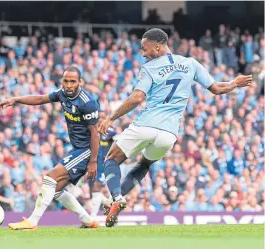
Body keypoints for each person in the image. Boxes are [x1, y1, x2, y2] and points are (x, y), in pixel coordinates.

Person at [98, 28, 253, 227]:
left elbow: (138, 97)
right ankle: (113, 201)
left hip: (146, 124)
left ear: (158, 46)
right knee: (144, 165)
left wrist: (111, 118)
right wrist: (234, 83)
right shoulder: (190, 63)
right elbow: (216, 88)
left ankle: (117, 197)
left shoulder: (149, 68)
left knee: (111, 158)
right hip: (169, 135)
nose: (143, 53)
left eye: (145, 48)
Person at [0, 66, 100, 230]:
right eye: (66, 81)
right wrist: (15, 99)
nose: (68, 85)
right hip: (77, 149)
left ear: (80, 82)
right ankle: (88, 220)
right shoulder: (62, 94)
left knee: (50, 178)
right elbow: (39, 99)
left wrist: (93, 161)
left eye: (73, 81)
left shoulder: (87, 103)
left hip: (87, 151)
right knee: (57, 189)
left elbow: (95, 134)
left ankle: (32, 221)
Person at [90, 112, 117, 217]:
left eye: (103, 117)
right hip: (95, 162)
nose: (101, 120)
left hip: (105, 163)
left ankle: (94, 214)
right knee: (98, 188)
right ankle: (110, 208)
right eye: (99, 118)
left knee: (98, 187)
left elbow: (118, 143)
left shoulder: (111, 132)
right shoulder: (93, 131)